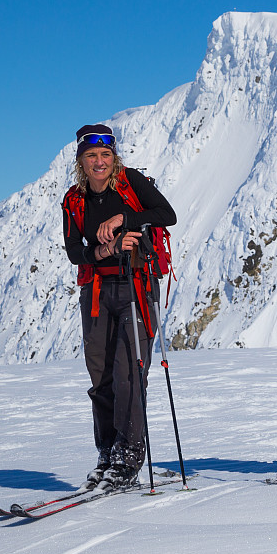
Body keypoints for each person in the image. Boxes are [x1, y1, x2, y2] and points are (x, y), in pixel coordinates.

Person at [61, 124, 177, 489]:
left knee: (130, 375)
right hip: (95, 292)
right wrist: (104, 251)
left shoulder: (130, 182)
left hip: (137, 287)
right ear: (81, 160)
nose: (99, 162)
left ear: (115, 157)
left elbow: (165, 213)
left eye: (105, 155)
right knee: (101, 377)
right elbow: (73, 251)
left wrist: (125, 218)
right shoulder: (73, 200)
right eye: (92, 156)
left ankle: (128, 458)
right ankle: (107, 453)